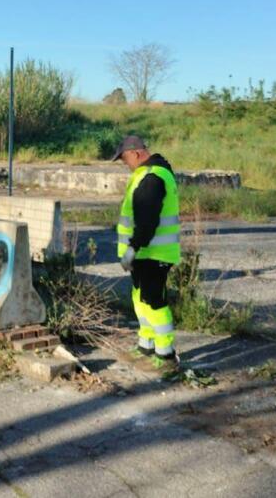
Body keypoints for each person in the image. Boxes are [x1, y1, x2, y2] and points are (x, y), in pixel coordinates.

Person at [111, 135, 181, 375]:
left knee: (154, 302)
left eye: (125, 159)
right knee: (140, 299)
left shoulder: (153, 178)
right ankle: (146, 346)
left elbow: (147, 220)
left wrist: (133, 248)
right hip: (145, 253)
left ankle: (166, 355)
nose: (125, 164)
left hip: (154, 253)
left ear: (137, 153)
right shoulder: (147, 174)